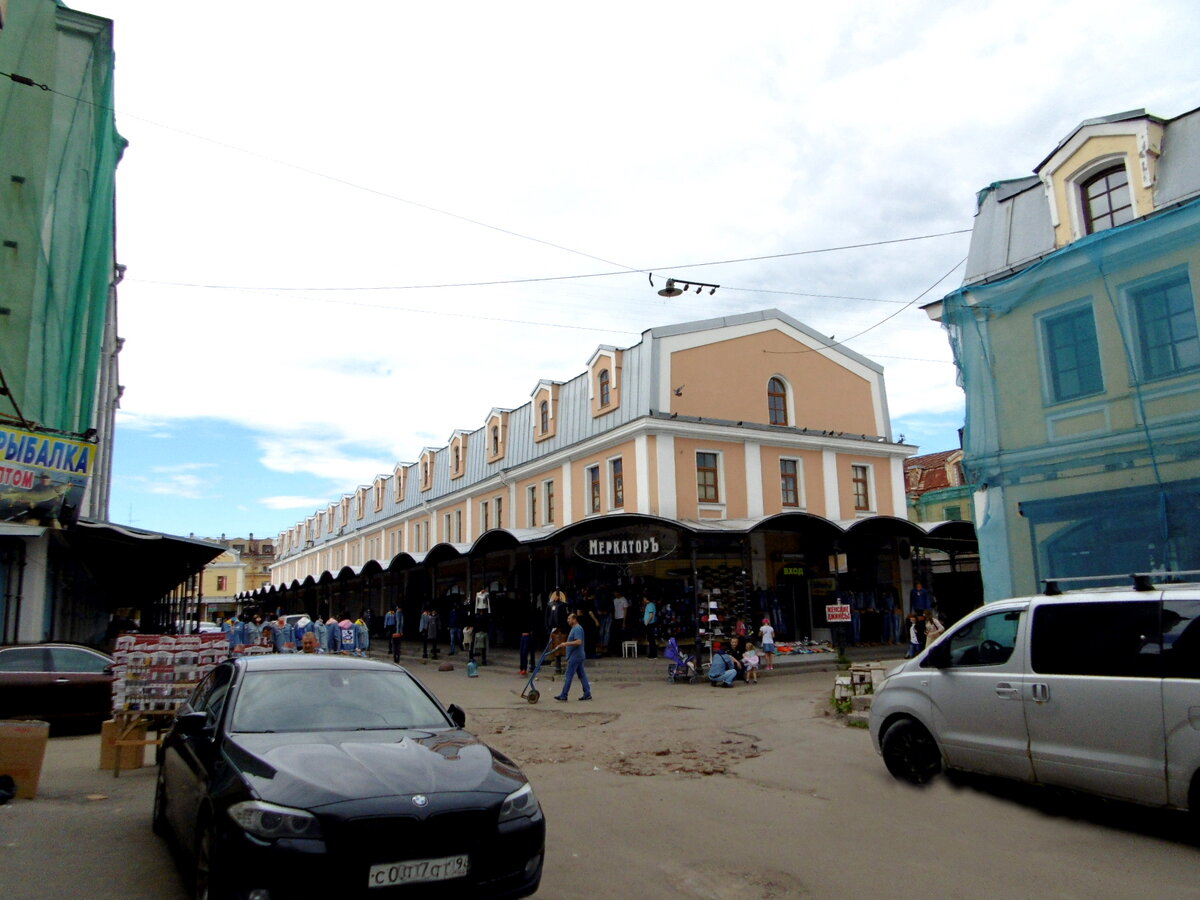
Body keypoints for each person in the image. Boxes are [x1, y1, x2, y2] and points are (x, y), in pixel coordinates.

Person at [554, 613, 592, 702]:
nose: (568, 620)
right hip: (577, 655)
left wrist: (565, 644)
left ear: (574, 619)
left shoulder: (577, 629)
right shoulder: (574, 629)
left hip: (576, 656)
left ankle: (564, 695)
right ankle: (587, 693)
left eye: (569, 618)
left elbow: (579, 642)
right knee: (582, 675)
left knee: (569, 675)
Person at [643, 595, 659, 659]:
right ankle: (651, 654)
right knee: (651, 639)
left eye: (644, 598)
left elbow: (651, 614)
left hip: (650, 624)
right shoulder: (652, 604)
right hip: (651, 624)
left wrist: (647, 622)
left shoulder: (649, 605)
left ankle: (653, 655)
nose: (643, 600)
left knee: (651, 639)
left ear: (646, 598)